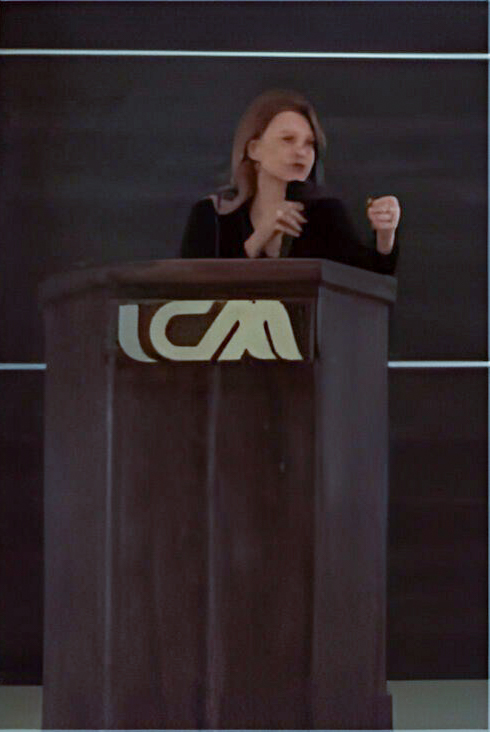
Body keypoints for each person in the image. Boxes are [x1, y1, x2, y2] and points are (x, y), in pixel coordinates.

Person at [181, 90, 401, 273]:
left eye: (309, 144)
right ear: (254, 149)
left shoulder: (326, 215)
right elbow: (191, 290)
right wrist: (256, 241)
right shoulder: (212, 216)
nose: (301, 152)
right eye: (288, 140)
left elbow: (368, 284)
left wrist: (385, 235)